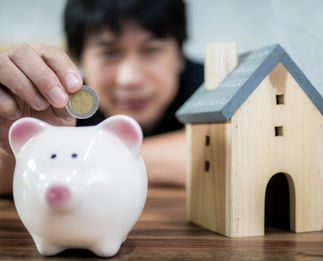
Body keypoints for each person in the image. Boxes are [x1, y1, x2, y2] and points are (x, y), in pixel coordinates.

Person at [0, 0, 203, 194]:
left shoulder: (213, 84)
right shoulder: (52, 104)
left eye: (151, 50)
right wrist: (23, 148)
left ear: (179, 55)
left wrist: (60, 159)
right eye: (110, 53)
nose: (130, 79)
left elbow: (218, 157)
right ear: (80, 60)